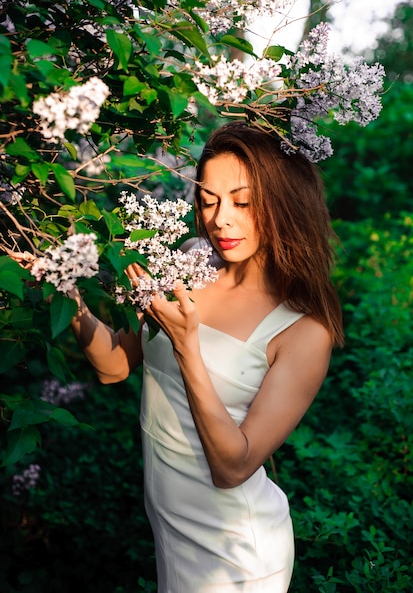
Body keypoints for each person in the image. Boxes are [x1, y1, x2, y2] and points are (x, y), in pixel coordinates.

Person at [70, 122, 344, 592]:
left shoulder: (303, 330)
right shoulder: (193, 260)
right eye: (209, 200)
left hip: (237, 554)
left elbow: (232, 467)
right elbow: (115, 366)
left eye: (243, 201)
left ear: (284, 202)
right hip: (172, 528)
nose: (220, 220)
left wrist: (187, 346)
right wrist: (64, 290)